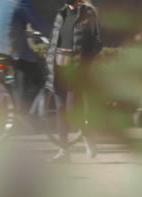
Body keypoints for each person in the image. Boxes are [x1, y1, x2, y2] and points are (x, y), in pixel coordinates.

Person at [44, 0, 102, 163]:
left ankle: (87, 134)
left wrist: (85, 61)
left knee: (71, 110)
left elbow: (97, 43)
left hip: (77, 71)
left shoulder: (88, 14)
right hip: (59, 69)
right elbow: (53, 40)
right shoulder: (60, 14)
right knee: (61, 110)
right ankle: (64, 151)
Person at [0, 0, 52, 110]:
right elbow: (39, 23)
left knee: (8, 82)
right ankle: (24, 113)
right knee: (36, 74)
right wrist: (56, 33)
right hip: (12, 51)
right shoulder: (20, 2)